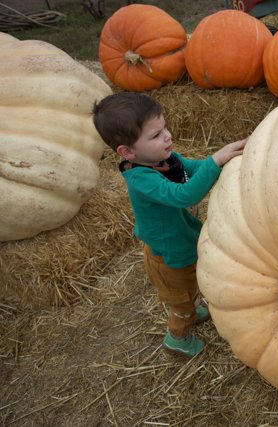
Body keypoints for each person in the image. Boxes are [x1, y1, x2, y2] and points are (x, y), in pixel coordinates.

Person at [92, 92, 247, 357]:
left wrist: (221, 161)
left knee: (195, 282)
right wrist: (216, 162)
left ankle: (191, 305)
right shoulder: (142, 179)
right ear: (127, 152)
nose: (167, 136)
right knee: (181, 302)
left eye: (164, 128)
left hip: (183, 240)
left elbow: (193, 169)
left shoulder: (164, 159)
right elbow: (183, 195)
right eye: (155, 135)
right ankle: (178, 337)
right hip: (170, 256)